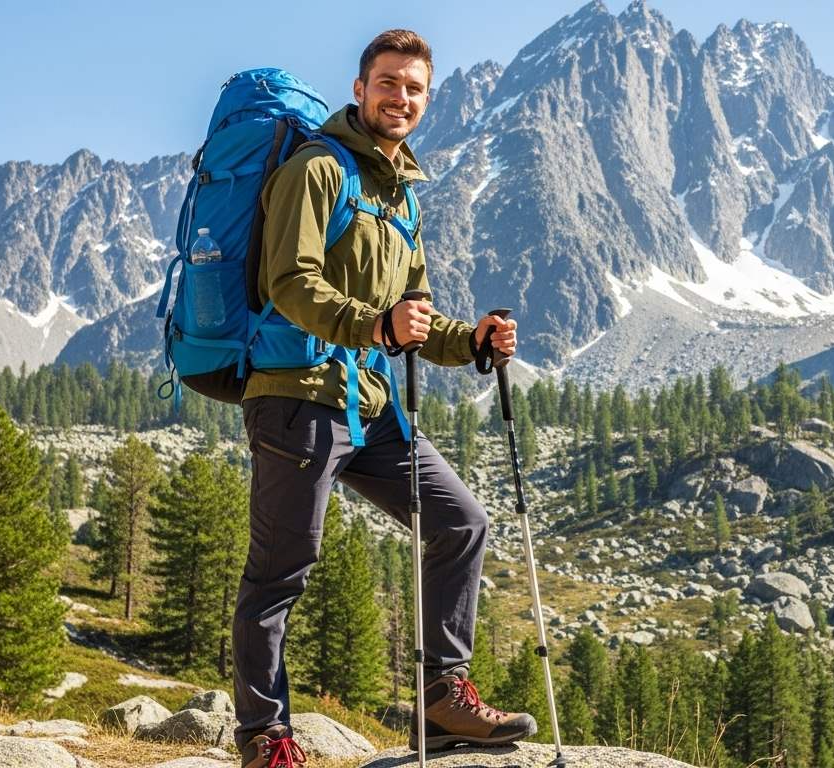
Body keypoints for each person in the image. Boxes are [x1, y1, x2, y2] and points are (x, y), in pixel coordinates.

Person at [233, 29, 536, 768]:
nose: (400, 98)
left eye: (414, 88)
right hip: (298, 398)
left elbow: (415, 318)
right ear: (361, 87)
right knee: (282, 568)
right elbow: (291, 283)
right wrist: (372, 324)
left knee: (460, 522)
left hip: (370, 407)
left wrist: (472, 342)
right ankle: (265, 737)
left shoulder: (400, 193)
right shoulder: (317, 171)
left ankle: (441, 701)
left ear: (427, 100)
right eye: (388, 83)